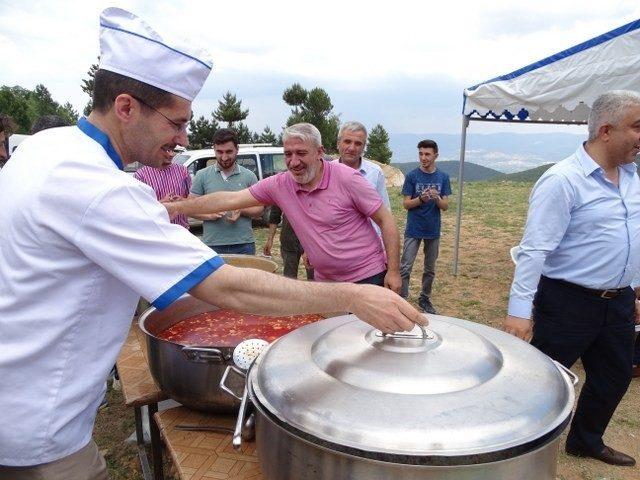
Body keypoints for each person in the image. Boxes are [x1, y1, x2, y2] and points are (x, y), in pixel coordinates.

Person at [0, 8, 424, 478]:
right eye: (176, 123)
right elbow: (227, 289)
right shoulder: (99, 187)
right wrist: (351, 295)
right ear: (125, 107)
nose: (183, 140)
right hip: (39, 433)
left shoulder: (47, 149)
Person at [503, 90, 640, 467]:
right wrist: (519, 311)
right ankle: (518, 446)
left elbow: (630, 236)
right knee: (544, 381)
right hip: (568, 302)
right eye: (637, 127)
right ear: (606, 130)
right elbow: (534, 250)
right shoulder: (563, 181)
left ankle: (585, 440)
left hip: (619, 302)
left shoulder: (632, 177)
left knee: (614, 377)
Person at [166, 123, 403, 291]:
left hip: (368, 277)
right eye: (288, 154)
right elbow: (230, 199)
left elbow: (386, 221)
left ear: (320, 152)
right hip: (327, 283)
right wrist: (178, 208)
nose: (293, 162)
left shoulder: (348, 178)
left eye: (301, 153)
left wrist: (393, 271)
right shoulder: (281, 183)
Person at [190, 128, 263, 254]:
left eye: (229, 152)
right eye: (219, 152)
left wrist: (240, 209)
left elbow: (259, 210)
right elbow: (190, 207)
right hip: (212, 245)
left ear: (237, 149)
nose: (224, 157)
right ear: (214, 149)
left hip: (243, 244)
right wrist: (208, 215)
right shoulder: (202, 175)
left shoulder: (249, 176)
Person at [399, 139, 451, 314]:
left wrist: (436, 198)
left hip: (433, 229)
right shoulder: (412, 176)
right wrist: (421, 198)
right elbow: (406, 204)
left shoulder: (443, 177)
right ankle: (402, 299)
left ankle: (425, 298)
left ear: (435, 155)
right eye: (421, 153)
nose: (423, 157)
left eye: (427, 154)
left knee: (430, 269)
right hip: (413, 229)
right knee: (406, 266)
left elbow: (445, 206)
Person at [334, 121, 391, 235]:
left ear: (364, 147)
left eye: (358, 143)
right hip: (337, 243)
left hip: (370, 243)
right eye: (347, 141)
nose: (352, 148)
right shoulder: (327, 172)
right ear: (338, 143)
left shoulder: (375, 173)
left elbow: (385, 211)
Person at [134, 150, 192, 229]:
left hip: (180, 230)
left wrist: (182, 200)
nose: (172, 154)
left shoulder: (182, 171)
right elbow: (138, 208)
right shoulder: (141, 175)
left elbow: (190, 199)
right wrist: (161, 203)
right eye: (167, 150)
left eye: (173, 150)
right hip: (155, 231)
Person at [263, 204, 314, 280]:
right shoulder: (281, 192)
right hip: (289, 240)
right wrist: (270, 239)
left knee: (314, 279)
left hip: (312, 241)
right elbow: (275, 215)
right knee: (290, 279)